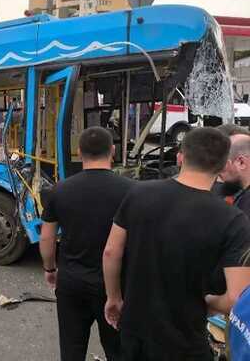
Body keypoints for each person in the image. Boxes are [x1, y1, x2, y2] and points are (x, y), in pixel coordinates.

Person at [102, 127, 250, 360]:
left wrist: (114, 298)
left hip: (135, 331)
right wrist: (208, 302)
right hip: (185, 341)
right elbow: (237, 299)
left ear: (181, 156)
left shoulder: (138, 193)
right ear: (222, 167)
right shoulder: (233, 220)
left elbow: (111, 252)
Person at [40, 127, 133, 361]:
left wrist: (50, 269)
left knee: (71, 349)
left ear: (79, 152)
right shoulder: (132, 191)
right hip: (116, 285)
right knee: (118, 349)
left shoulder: (58, 191)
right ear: (112, 151)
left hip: (71, 282)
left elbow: (47, 237)